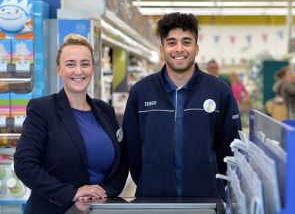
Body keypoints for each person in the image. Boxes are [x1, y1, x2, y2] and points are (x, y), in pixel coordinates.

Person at [123, 12, 241, 199]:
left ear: (196, 48)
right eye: (171, 42)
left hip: (206, 200)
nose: (179, 49)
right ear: (162, 49)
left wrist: (212, 181)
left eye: (186, 42)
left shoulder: (219, 91)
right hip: (153, 200)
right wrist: (150, 177)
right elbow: (132, 149)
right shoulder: (141, 91)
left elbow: (230, 147)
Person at [14, 34, 128, 214]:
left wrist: (104, 193)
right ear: (58, 69)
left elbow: (122, 163)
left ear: (92, 68)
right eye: (70, 64)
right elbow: (24, 165)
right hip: (51, 209)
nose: (78, 71)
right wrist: (71, 193)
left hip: (98, 209)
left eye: (85, 63)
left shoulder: (105, 110)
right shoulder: (42, 109)